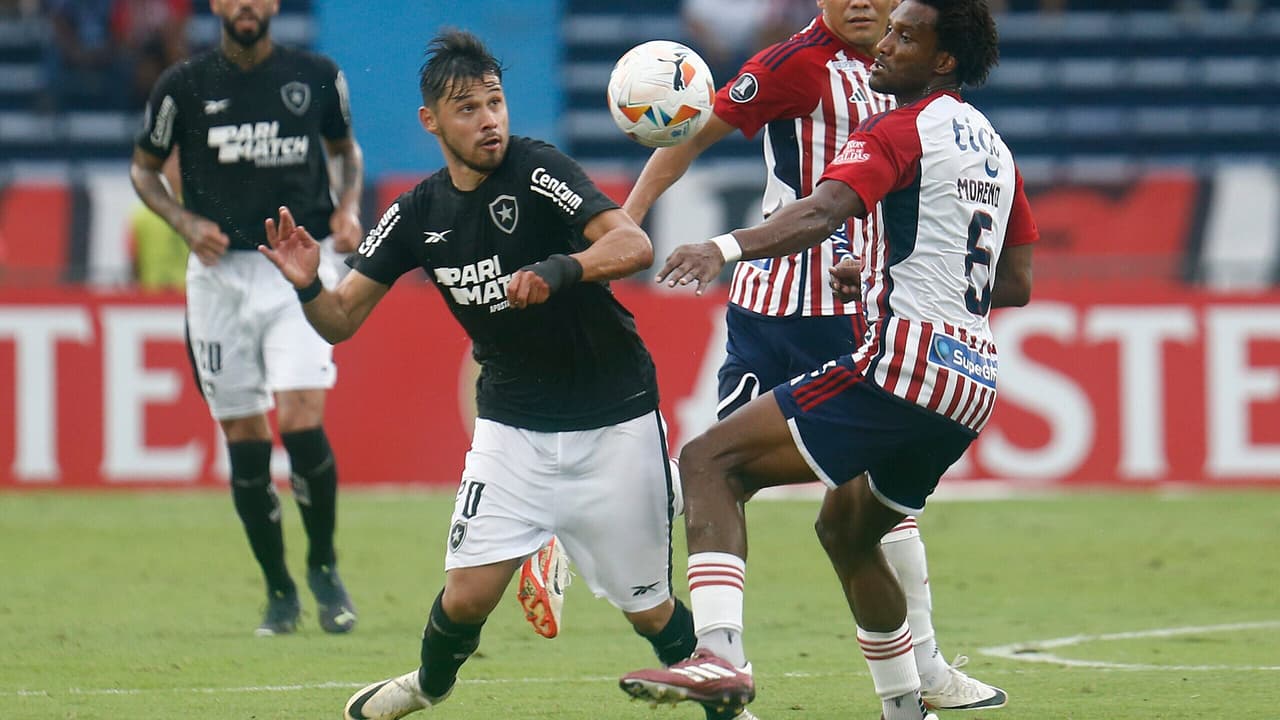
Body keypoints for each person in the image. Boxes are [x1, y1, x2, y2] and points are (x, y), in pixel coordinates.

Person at [257, 29, 752, 720]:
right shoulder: (415, 213)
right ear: (431, 121)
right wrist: (309, 285)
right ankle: (427, 687)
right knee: (466, 596)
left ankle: (727, 709)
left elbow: (633, 242)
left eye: (495, 102)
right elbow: (340, 321)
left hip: (613, 415)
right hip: (512, 428)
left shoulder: (538, 168)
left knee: (649, 609)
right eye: (467, 108)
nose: (489, 119)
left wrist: (558, 270)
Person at [619, 1, 1036, 718]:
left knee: (711, 462)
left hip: (880, 347)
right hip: (951, 370)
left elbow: (822, 209)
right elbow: (1017, 281)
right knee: (846, 527)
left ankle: (719, 660)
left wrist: (720, 248)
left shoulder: (897, 124)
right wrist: (628, 219)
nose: (884, 27)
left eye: (907, 31)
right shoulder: (990, 143)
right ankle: (907, 703)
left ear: (941, 58)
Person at [129, 0, 364, 636]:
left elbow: (345, 151)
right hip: (219, 276)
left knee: (299, 415)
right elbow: (144, 169)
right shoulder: (183, 85)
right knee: (245, 437)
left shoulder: (316, 74)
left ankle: (323, 568)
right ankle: (279, 590)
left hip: (297, 267)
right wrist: (181, 219)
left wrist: (346, 207)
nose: (247, 7)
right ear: (216, 6)